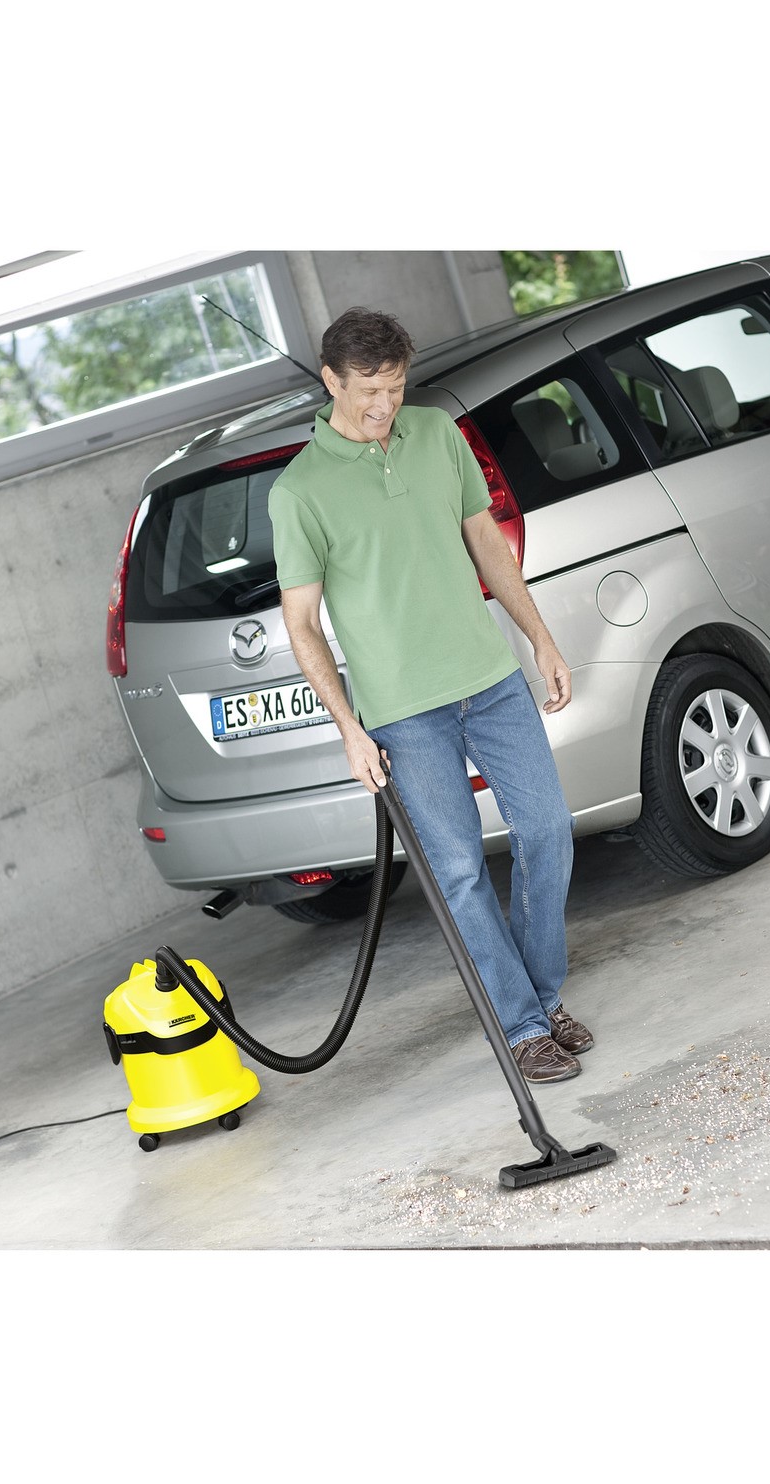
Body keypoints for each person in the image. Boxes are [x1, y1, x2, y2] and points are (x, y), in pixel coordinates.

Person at [268, 306, 592, 1083]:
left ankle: (540, 997)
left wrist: (541, 639)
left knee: (548, 830)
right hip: (403, 713)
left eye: (396, 387)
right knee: (458, 871)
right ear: (331, 382)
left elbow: (486, 542)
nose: (385, 406)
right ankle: (523, 1028)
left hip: (490, 679)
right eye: (368, 392)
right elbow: (302, 624)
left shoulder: (438, 433)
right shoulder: (299, 491)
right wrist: (348, 728)